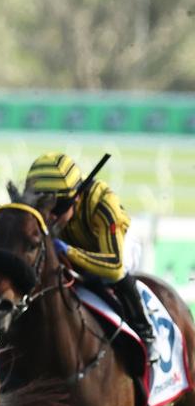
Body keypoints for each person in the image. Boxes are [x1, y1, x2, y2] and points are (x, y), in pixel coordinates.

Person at [23, 151, 155, 360]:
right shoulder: (51, 210)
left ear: (76, 197)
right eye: (41, 206)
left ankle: (145, 332)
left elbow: (114, 265)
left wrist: (68, 252)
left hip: (115, 248)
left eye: (56, 207)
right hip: (74, 242)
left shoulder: (103, 203)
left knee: (110, 277)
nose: (49, 215)